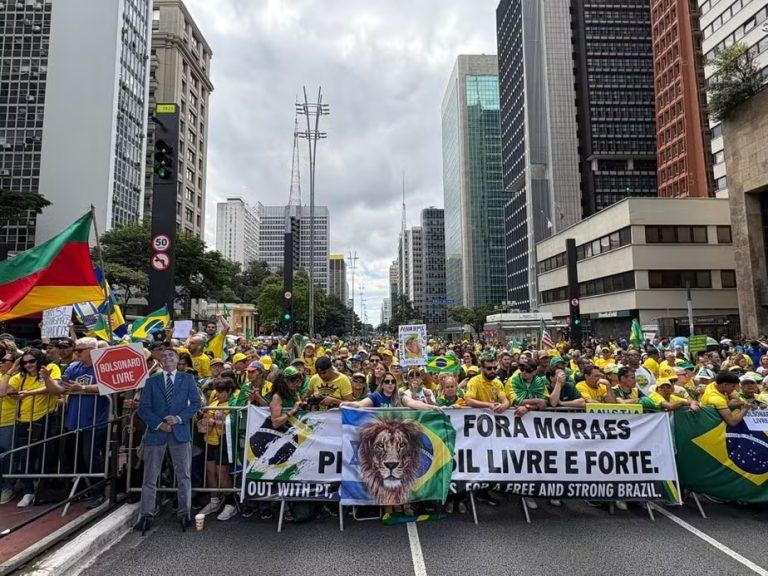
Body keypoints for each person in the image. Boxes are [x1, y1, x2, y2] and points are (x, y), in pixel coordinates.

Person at [135, 348, 202, 534]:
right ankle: (146, 514)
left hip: (180, 432)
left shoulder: (187, 379)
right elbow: (144, 408)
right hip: (157, 434)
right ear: (160, 360)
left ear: (178, 359)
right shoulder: (151, 381)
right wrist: (158, 424)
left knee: (183, 475)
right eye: (163, 356)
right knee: (150, 477)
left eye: (171, 355)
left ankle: (184, 513)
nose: (167, 358)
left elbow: (196, 404)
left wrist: (179, 418)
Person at [43, 337, 111, 508]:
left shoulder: (102, 366)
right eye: (76, 350)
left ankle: (98, 492)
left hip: (95, 421)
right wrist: (46, 378)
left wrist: (82, 388)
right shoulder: (74, 367)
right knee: (75, 458)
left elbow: (108, 385)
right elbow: (58, 389)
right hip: (74, 421)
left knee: (91, 458)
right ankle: (83, 489)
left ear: (92, 350)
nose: (76, 353)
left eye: (80, 350)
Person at [0, 348, 61, 507]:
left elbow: (53, 388)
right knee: (25, 457)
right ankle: (28, 491)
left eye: (32, 361)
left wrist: (30, 393)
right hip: (24, 421)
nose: (28, 365)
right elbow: (3, 392)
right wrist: (11, 371)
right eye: (25, 362)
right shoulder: (19, 376)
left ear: (39, 359)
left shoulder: (51, 368)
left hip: (46, 418)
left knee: (45, 456)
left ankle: (42, 489)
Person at [198, 377, 238, 522]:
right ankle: (214, 500)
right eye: (217, 390)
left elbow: (230, 425)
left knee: (223, 473)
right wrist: (205, 422)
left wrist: (214, 421)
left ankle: (230, 503)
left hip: (224, 441)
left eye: (222, 391)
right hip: (210, 440)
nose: (219, 393)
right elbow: (203, 425)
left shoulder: (233, 404)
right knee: (210, 471)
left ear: (229, 391)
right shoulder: (213, 403)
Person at [0, 348, 19, 504]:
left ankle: (9, 487)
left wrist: (11, 372)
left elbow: (2, 391)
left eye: (5, 361)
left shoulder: (17, 377)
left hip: (8, 422)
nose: (1, 362)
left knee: (8, 457)